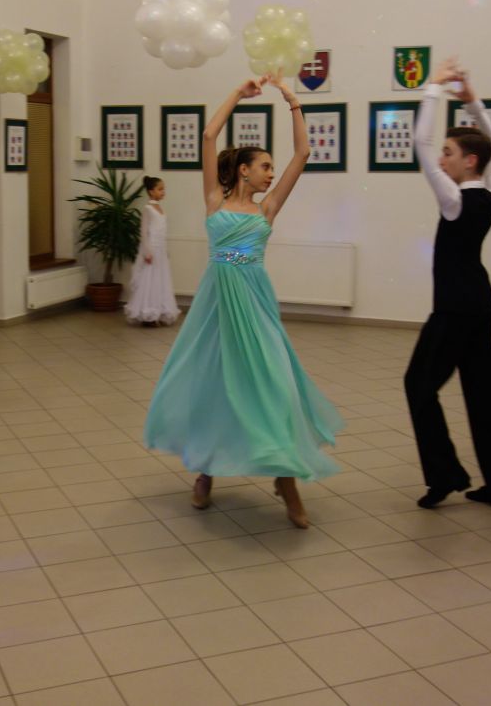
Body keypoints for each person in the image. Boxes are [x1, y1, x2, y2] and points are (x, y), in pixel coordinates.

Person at [143, 73, 344, 529]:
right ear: (243, 171)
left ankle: (286, 478)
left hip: (255, 305)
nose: (271, 173)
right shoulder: (214, 201)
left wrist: (292, 100)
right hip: (216, 307)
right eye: (265, 166)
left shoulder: (267, 209)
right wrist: (238, 92)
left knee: (275, 386)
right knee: (215, 387)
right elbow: (209, 135)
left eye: (272, 168)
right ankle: (205, 471)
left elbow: (303, 154)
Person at [406, 57, 491, 510]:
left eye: (449, 153)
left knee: (418, 384)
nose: (441, 159)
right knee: (486, 395)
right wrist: (473, 102)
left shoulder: (454, 199)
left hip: (454, 310)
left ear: (469, 161)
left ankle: (446, 474)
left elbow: (419, 142)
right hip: (481, 306)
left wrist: (434, 88)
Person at [125, 176, 180, 327]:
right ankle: (147, 314)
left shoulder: (160, 208)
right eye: (160, 189)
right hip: (151, 250)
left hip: (160, 250)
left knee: (160, 281)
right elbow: (143, 233)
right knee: (149, 281)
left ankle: (159, 311)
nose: (163, 192)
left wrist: (165, 250)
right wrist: (147, 252)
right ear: (151, 191)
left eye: (163, 189)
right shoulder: (148, 209)